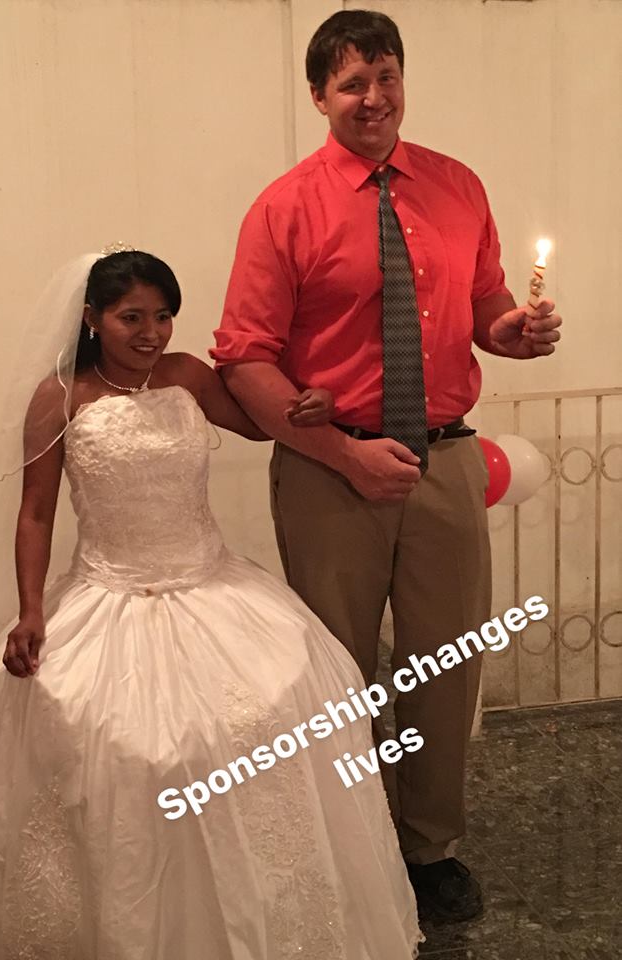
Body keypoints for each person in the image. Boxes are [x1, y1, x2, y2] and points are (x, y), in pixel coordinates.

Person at [0, 249, 423, 959]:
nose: (151, 332)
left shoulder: (188, 376)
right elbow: (36, 512)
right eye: (131, 317)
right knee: (118, 751)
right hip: (108, 593)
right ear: (91, 319)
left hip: (215, 587)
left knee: (289, 707)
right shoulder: (61, 398)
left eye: (163, 316)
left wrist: (308, 403)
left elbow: (264, 424)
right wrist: (30, 612)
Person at [212, 9, 562, 923]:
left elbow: (482, 305)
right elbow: (244, 359)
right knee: (336, 671)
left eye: (387, 76)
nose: (374, 96)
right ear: (320, 97)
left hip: (444, 460)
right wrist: (343, 454)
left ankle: (426, 847)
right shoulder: (283, 207)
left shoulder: (456, 186)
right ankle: (347, 835)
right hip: (330, 467)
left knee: (443, 662)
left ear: (403, 81)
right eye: (352, 82)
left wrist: (510, 334)